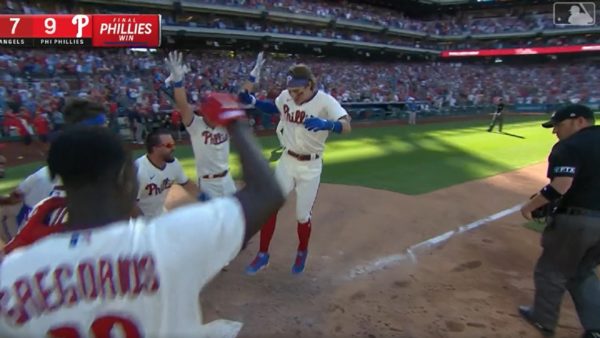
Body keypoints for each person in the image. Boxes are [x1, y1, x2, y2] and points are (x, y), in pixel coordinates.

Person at [0, 94, 284, 336]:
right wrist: (234, 120)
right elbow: (267, 193)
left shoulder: (13, 274)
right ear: (127, 177)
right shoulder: (168, 241)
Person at [239, 54, 352, 275]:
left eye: (298, 90)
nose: (294, 95)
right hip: (287, 161)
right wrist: (253, 101)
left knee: (302, 215)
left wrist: (328, 124)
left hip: (311, 167)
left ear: (310, 85)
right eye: (291, 90)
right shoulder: (286, 97)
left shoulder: (325, 101)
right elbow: (275, 108)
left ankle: (302, 250)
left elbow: (346, 125)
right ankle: (263, 254)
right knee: (270, 206)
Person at [519, 104, 600, 338]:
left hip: (578, 222)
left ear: (580, 121)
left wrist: (531, 206)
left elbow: (561, 185)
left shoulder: (570, 146)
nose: (555, 132)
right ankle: (596, 328)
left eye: (559, 125)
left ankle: (543, 320)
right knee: (581, 271)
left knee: (551, 271)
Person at [2, 99, 108, 253]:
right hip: (51, 247)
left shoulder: (41, 175)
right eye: (103, 125)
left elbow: (15, 197)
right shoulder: (87, 175)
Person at [165, 51, 237, 199]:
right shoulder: (195, 125)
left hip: (227, 179)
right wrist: (178, 81)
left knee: (236, 218)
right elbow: (183, 106)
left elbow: (241, 97)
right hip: (208, 183)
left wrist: (253, 76)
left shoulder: (224, 124)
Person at [134, 128, 198, 219]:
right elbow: (130, 205)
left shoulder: (174, 164)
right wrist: (145, 225)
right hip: (140, 223)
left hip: (160, 216)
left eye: (173, 144)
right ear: (155, 148)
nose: (173, 148)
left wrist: (206, 199)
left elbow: (187, 184)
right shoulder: (139, 170)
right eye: (169, 145)